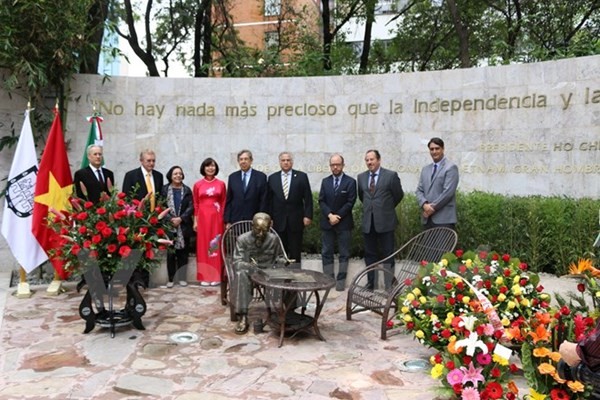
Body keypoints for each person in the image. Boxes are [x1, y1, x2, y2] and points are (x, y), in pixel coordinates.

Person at [357, 149, 404, 290]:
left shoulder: (390, 176)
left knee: (388, 254)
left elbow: (398, 195)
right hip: (368, 223)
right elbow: (362, 197)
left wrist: (385, 209)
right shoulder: (361, 177)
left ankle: (389, 285)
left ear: (379, 160)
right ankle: (371, 284)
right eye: (367, 160)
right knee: (370, 255)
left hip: (386, 222)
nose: (369, 162)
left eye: (372, 159)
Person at [232, 212, 286, 334]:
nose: (261, 234)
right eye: (258, 230)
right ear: (252, 226)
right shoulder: (242, 239)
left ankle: (289, 312)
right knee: (241, 274)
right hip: (250, 272)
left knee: (290, 274)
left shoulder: (273, 239)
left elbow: (279, 257)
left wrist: (284, 261)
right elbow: (237, 262)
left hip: (269, 271)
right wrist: (250, 266)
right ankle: (243, 316)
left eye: (264, 230)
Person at [318, 154, 357, 291]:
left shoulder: (350, 182)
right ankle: (328, 279)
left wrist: (337, 216)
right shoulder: (325, 181)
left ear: (343, 165)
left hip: (344, 223)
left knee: (344, 253)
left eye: (338, 164)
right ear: (330, 166)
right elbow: (321, 200)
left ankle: (341, 282)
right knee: (327, 252)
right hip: (327, 222)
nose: (335, 167)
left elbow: (350, 202)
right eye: (333, 165)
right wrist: (329, 215)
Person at [267, 151, 313, 265]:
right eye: (283, 160)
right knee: (280, 252)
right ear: (279, 162)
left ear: (292, 162)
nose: (286, 162)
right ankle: (281, 278)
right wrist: (270, 218)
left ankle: (296, 277)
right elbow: (269, 200)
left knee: (295, 251)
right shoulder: (272, 178)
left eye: (288, 160)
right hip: (278, 221)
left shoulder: (302, 176)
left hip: (296, 220)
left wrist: (308, 215)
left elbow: (308, 197)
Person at [193, 157, 226, 286]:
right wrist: (195, 221)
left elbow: (224, 202)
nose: (210, 168)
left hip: (216, 218)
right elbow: (195, 204)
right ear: (203, 168)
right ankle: (204, 276)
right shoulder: (197, 185)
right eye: (207, 166)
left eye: (212, 166)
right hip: (202, 219)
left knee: (215, 245)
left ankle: (216, 276)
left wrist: (223, 219)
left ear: (215, 168)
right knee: (203, 246)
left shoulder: (221, 184)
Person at [160, 166, 194, 288]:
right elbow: (161, 205)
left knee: (183, 253)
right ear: (170, 175)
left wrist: (180, 219)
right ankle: (170, 279)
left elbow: (191, 207)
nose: (178, 176)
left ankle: (182, 278)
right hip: (169, 225)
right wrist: (170, 219)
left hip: (184, 225)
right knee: (171, 253)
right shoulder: (164, 189)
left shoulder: (187, 190)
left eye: (180, 173)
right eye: (175, 174)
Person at [415, 137, 459, 230]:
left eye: (437, 148)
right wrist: (424, 205)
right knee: (427, 245)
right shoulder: (425, 169)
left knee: (445, 245)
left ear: (443, 149)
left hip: (444, 220)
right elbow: (419, 190)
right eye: (431, 149)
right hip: (427, 219)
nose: (434, 151)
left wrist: (432, 208)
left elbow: (448, 193)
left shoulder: (451, 167)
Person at [224, 149, 268, 228]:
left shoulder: (261, 177)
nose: (243, 161)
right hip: (236, 220)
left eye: (246, 159)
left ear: (251, 161)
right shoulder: (232, 177)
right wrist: (227, 220)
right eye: (241, 159)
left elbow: (264, 200)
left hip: (254, 220)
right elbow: (229, 200)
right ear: (238, 161)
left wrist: (261, 219)